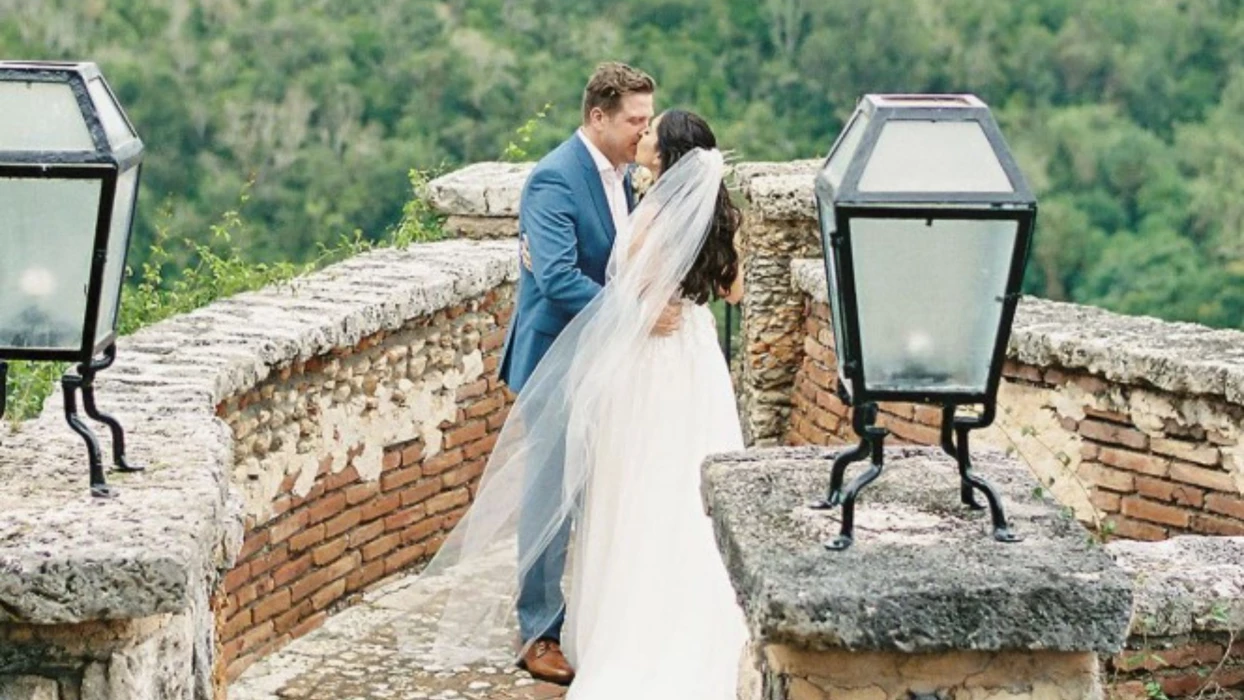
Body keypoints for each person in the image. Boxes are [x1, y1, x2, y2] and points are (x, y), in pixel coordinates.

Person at [399, 104, 747, 698]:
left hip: (647, 363)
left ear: (664, 156)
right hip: (694, 361)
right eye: (638, 119)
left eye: (651, 126)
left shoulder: (650, 210)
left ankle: (626, 626)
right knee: (676, 486)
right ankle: (608, 623)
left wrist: (640, 307)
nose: (644, 131)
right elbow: (732, 290)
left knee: (636, 488)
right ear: (600, 115)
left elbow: (619, 291)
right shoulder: (708, 214)